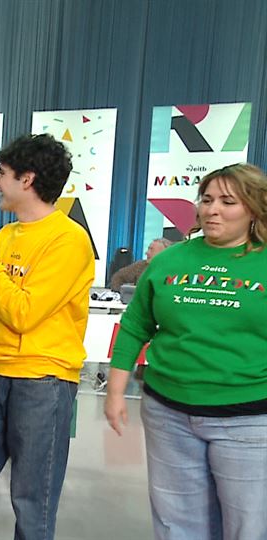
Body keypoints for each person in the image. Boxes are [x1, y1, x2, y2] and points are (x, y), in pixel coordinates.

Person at [0, 133, 94, 540]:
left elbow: (23, 314)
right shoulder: (7, 236)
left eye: (2, 173)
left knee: (32, 504)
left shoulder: (69, 240)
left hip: (43, 383)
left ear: (27, 180)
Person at [104, 163, 267, 540]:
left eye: (228, 202)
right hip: (168, 413)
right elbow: (135, 326)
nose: (213, 210)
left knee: (248, 525)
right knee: (175, 521)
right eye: (207, 200)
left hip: (247, 418)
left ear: (254, 209)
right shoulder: (169, 260)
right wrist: (115, 392)